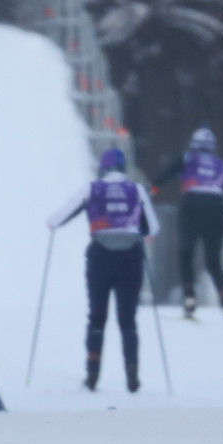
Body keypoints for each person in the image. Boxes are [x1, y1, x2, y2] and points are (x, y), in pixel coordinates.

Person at [48, 148, 159, 392]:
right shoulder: (136, 190)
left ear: (103, 168)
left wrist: (52, 223)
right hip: (131, 259)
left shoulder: (92, 189)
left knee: (97, 318)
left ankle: (92, 372)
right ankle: (132, 373)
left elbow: (57, 218)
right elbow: (152, 227)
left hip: (100, 258)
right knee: (128, 321)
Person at [152, 127, 223, 322]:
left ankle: (189, 298)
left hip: (191, 206)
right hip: (215, 209)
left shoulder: (187, 159)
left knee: (186, 253)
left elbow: (166, 174)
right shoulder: (222, 165)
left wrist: (153, 187)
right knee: (213, 261)